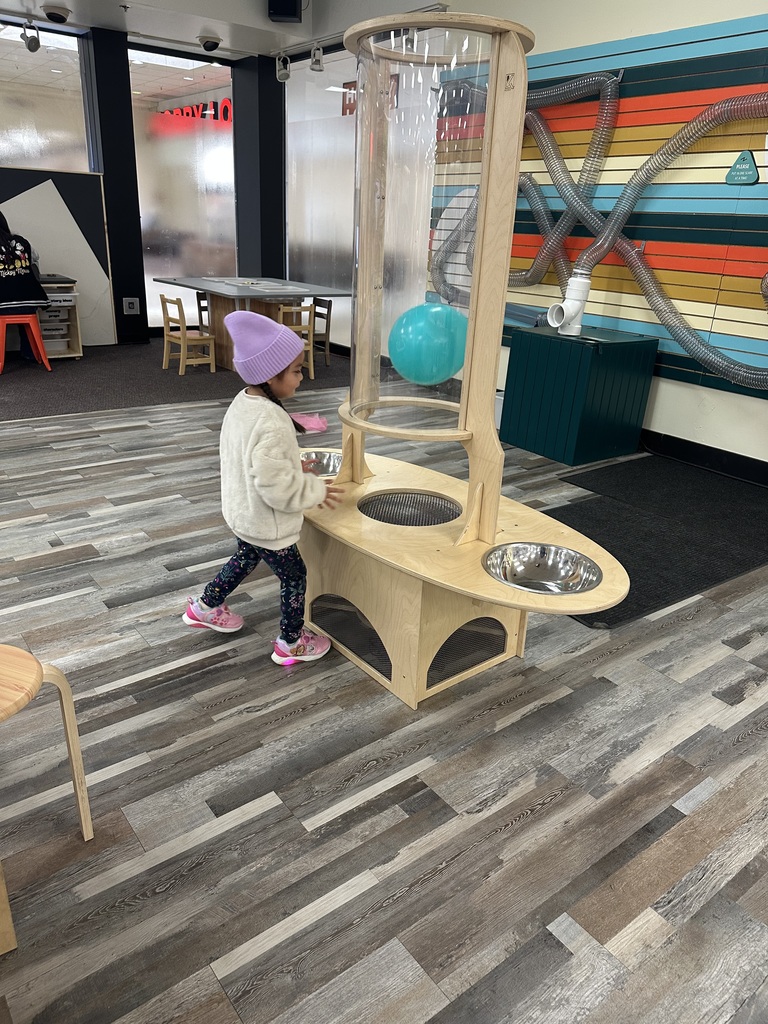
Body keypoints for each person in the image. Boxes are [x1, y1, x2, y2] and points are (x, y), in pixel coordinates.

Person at [182, 309, 343, 664]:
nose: (302, 377)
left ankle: (206, 605)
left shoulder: (245, 402)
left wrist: (293, 462)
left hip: (243, 511)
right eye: (297, 370)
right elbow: (277, 489)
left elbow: (249, 456)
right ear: (271, 376)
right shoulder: (271, 421)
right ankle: (291, 642)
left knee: (245, 556)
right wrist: (314, 490)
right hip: (266, 521)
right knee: (295, 576)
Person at [0, 211, 49, 360]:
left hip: (2, 304)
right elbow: (35, 257)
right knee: (22, 310)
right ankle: (30, 353)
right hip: (29, 301)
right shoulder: (20, 241)